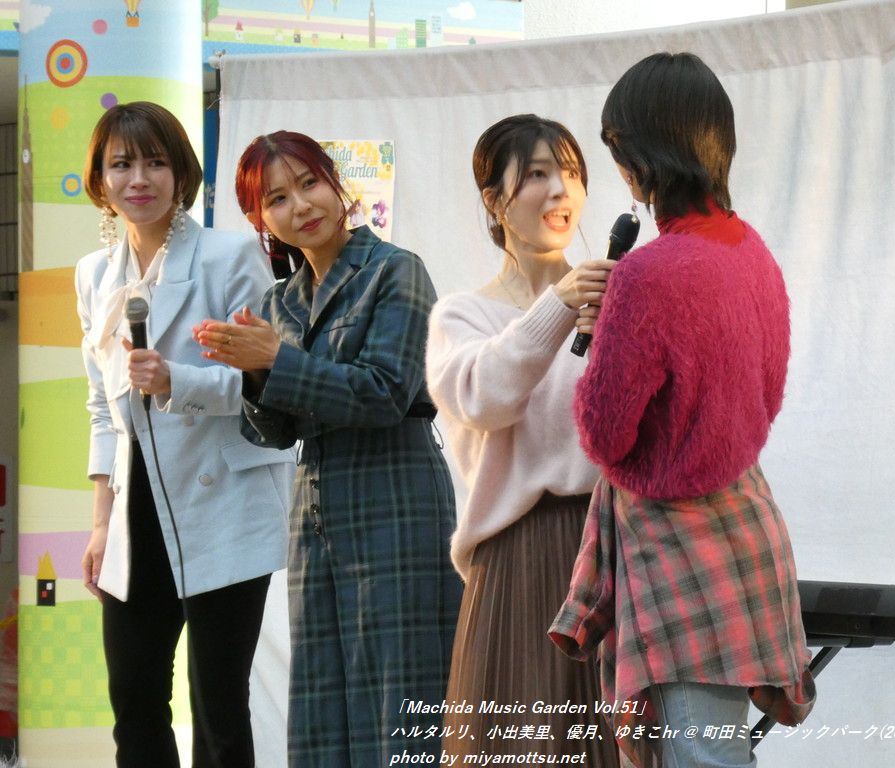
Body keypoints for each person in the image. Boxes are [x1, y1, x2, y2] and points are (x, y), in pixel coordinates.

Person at [550, 53, 815, 768]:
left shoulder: (645, 275)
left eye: (618, 150)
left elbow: (605, 434)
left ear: (643, 156)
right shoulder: (752, 250)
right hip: (748, 528)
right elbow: (768, 395)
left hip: (674, 550)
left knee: (699, 756)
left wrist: (607, 336)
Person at [194, 130, 461, 767]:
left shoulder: (395, 269)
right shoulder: (277, 302)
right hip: (314, 512)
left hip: (397, 496)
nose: (301, 205)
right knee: (321, 699)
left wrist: (276, 360)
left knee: (403, 693)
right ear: (261, 220)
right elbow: (273, 432)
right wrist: (253, 373)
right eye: (277, 199)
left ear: (336, 184)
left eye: (309, 183)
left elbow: (385, 392)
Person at [74, 101, 292, 768]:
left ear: (181, 174)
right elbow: (103, 407)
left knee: (217, 704)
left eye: (155, 162)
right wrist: (101, 524)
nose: (138, 178)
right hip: (135, 513)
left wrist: (177, 380)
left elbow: (269, 382)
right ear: (100, 179)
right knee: (133, 699)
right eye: (121, 164)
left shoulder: (230, 254)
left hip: (222, 500)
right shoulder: (94, 275)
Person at [424, 114, 620, 764]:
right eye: (537, 174)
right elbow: (484, 397)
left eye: (571, 174)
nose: (560, 191)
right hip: (516, 559)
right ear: (494, 201)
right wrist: (558, 305)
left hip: (611, 547)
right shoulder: (462, 315)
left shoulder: (615, 302)